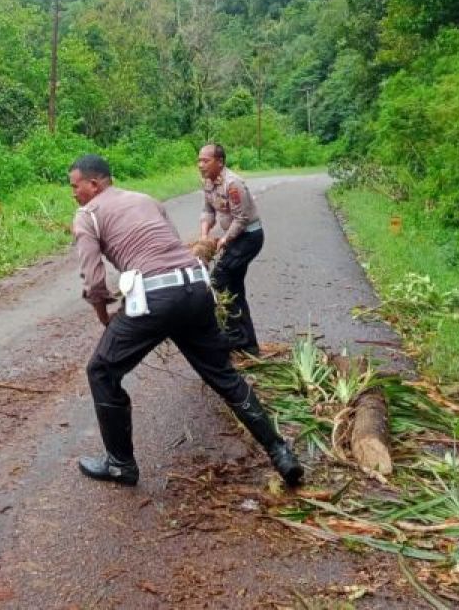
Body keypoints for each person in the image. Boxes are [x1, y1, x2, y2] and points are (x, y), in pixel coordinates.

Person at [69, 154, 302, 488]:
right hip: (195, 287)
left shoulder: (86, 215)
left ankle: (120, 464)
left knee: (101, 371)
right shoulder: (146, 200)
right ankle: (280, 451)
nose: (73, 194)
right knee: (223, 374)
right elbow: (173, 245)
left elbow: (94, 282)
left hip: (156, 298)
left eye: (75, 186)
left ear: (94, 184)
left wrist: (105, 315)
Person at [198, 143, 264, 355]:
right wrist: (204, 235)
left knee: (218, 280)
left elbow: (242, 219)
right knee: (234, 289)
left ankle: (234, 337)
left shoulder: (233, 184)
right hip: (235, 239)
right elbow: (208, 210)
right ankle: (249, 344)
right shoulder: (207, 183)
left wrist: (224, 240)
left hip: (249, 237)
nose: (201, 165)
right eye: (199, 160)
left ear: (220, 162)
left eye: (205, 161)